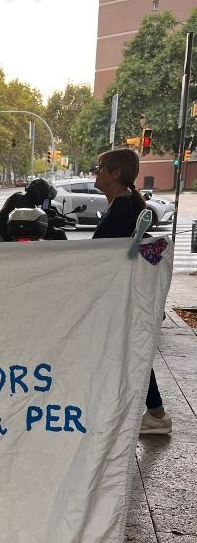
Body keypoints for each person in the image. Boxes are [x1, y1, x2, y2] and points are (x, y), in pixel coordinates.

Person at [92, 147, 171, 435]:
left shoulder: (123, 209)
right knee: (126, 351)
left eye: (101, 168)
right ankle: (155, 413)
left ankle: (157, 415)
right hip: (123, 296)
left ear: (116, 173)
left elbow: (104, 257)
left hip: (123, 298)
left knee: (127, 352)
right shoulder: (124, 206)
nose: (96, 173)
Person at [0, 178, 58, 242]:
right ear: (39, 196)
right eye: (44, 198)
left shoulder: (19, 197)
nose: (43, 201)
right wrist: (52, 221)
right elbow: (29, 220)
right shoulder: (23, 204)